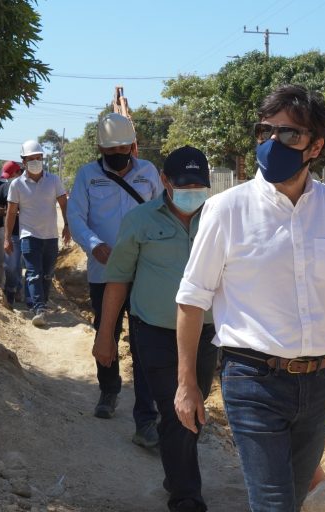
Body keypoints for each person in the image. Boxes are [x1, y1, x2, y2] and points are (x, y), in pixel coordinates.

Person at [174, 85, 325, 511]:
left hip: (319, 382)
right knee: (272, 503)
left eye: (289, 135)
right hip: (252, 379)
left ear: (316, 146)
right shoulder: (226, 210)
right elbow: (192, 300)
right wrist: (186, 382)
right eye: (265, 131)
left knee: (294, 497)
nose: (273, 144)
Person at [93, 146, 216, 512]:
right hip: (155, 332)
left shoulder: (218, 219)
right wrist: (105, 335)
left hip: (206, 333)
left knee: (193, 405)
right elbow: (117, 279)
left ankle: (175, 472)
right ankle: (186, 498)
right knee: (178, 404)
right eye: (185, 184)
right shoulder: (140, 221)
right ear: (164, 181)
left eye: (200, 185)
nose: (193, 191)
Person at [67, 113, 162, 443]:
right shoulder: (87, 176)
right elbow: (76, 217)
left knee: (144, 342)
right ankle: (108, 391)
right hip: (103, 272)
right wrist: (94, 245)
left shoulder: (149, 173)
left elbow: (162, 212)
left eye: (124, 147)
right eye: (111, 149)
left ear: (133, 146)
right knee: (106, 331)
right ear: (100, 149)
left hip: (144, 273)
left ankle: (145, 415)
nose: (118, 154)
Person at [4, 140, 71, 328]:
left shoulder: (54, 181)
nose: (35, 161)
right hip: (28, 235)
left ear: (43, 159)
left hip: (50, 236)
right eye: (31, 158)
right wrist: (7, 238)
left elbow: (64, 204)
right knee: (34, 272)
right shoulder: (17, 185)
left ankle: (37, 302)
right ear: (23, 161)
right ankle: (39, 309)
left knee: (47, 274)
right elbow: (10, 213)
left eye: (38, 158)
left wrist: (67, 225)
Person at [0, 161, 25, 305]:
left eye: (10, 175)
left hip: (27, 232)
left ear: (18, 172)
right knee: (11, 266)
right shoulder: (4, 187)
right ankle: (10, 290)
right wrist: (9, 212)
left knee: (20, 265)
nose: (8, 179)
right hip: (12, 233)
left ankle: (19, 290)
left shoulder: (27, 187)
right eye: (7, 176)